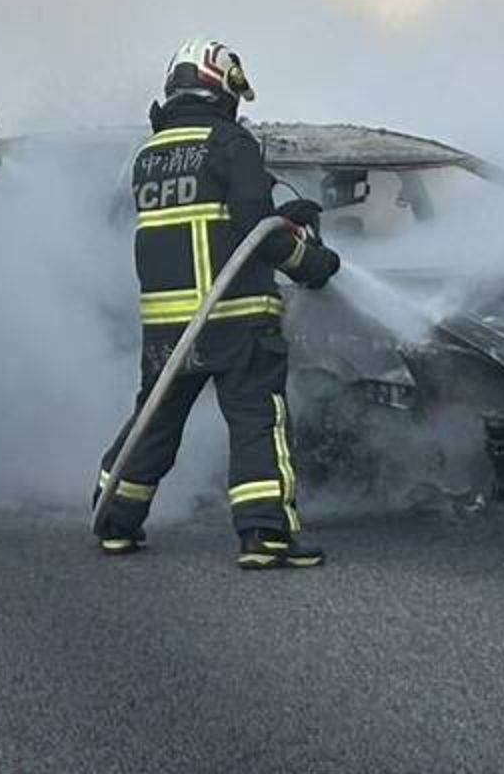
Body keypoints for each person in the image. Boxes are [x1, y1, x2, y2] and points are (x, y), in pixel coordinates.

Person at [94, 37, 342, 568]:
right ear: (222, 89)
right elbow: (258, 229)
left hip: (166, 324)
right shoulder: (232, 143)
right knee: (257, 419)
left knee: (155, 419)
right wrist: (311, 263)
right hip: (235, 315)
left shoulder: (147, 155)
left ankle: (115, 518)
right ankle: (265, 534)